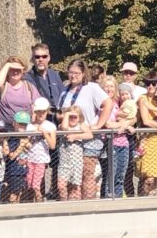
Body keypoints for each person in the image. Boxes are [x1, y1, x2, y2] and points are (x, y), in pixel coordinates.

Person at [57, 60, 113, 200]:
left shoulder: (91, 87)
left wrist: (99, 125)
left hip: (89, 137)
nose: (73, 76)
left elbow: (108, 103)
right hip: (70, 140)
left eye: (77, 73)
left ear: (83, 74)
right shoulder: (65, 90)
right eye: (71, 72)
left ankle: (88, 205)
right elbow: (60, 112)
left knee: (87, 173)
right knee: (72, 175)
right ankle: (73, 206)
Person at [0, 57, 39, 130]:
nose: (15, 72)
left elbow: (37, 106)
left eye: (18, 69)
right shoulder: (3, 86)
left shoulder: (29, 87)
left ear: (23, 71)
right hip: (4, 129)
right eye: (12, 69)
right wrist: (8, 65)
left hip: (24, 129)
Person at [57, 106, 92, 201]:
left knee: (75, 187)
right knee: (61, 185)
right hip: (64, 162)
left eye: (75, 117)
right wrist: (67, 114)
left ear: (79, 118)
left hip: (76, 162)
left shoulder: (81, 125)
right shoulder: (62, 125)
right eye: (70, 117)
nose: (72, 119)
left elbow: (89, 134)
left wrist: (75, 136)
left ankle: (74, 204)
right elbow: (64, 128)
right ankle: (64, 203)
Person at [26, 98, 57, 202]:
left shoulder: (50, 126)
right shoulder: (29, 125)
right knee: (29, 183)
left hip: (41, 160)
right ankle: (30, 202)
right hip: (29, 159)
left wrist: (44, 133)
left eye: (43, 112)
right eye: (38, 111)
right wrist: (31, 136)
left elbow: (52, 145)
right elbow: (26, 143)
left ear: (47, 111)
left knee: (36, 184)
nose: (41, 114)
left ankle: (40, 202)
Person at [24, 43, 65, 109]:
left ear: (48, 58)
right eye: (37, 57)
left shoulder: (54, 75)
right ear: (32, 59)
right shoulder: (27, 78)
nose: (41, 59)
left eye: (44, 56)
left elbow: (63, 96)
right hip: (40, 116)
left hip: (57, 116)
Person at [5, 111, 32, 203]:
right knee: (13, 192)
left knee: (20, 192)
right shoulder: (13, 138)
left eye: (24, 125)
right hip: (14, 171)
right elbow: (11, 156)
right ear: (14, 124)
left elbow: (29, 149)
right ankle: (12, 208)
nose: (22, 127)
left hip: (23, 170)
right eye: (20, 124)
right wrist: (21, 146)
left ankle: (17, 205)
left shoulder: (25, 137)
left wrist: (27, 144)